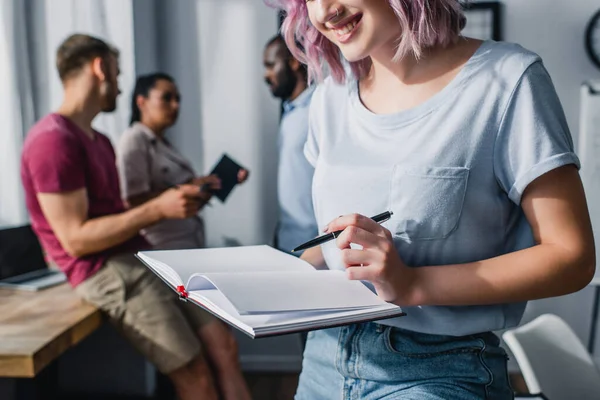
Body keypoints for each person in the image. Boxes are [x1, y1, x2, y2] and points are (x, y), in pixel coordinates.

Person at [273, 0, 596, 399]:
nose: (324, 12)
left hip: (441, 369)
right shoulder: (330, 96)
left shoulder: (506, 80)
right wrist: (264, 286)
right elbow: (334, 246)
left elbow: (572, 257)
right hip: (324, 360)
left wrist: (412, 283)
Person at [20, 34, 250, 400]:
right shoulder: (52, 140)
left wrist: (178, 198)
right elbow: (75, 240)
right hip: (105, 270)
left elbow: (119, 212)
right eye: (118, 72)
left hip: (142, 257)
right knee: (195, 375)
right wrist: (158, 208)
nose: (121, 83)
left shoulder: (99, 142)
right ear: (100, 68)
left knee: (224, 347)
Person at [117, 73, 248, 250]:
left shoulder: (164, 143)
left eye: (178, 99)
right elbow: (132, 202)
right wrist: (190, 187)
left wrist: (208, 186)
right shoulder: (135, 139)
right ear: (141, 102)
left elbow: (181, 200)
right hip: (161, 246)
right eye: (167, 98)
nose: (175, 105)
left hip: (186, 242)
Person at [263, 35, 318, 255]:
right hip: (287, 241)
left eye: (270, 65)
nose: (266, 75)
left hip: (314, 248)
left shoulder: (319, 108)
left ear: (294, 61)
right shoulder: (291, 111)